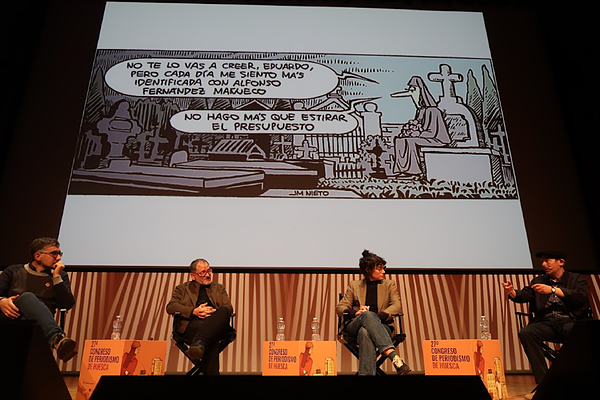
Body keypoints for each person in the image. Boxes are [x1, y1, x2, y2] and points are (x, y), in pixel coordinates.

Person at [501, 250, 591, 397]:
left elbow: (581, 297)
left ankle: (577, 383)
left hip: (570, 321)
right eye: (542, 261)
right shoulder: (539, 280)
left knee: (574, 333)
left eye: (548, 260)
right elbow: (526, 294)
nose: (544, 264)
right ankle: (543, 385)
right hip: (547, 323)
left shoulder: (576, 279)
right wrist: (512, 292)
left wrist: (554, 290)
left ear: (561, 262)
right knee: (526, 333)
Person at [0, 237, 77, 362]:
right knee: (27, 297)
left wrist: (56, 277)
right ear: (37, 256)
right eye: (54, 254)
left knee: (31, 324)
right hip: (12, 318)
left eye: (59, 253)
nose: (58, 258)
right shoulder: (14, 271)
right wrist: (1, 301)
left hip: (38, 325)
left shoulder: (60, 275)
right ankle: (57, 338)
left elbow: (67, 304)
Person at [336, 249, 411, 375]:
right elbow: (340, 307)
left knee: (365, 332)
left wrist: (376, 316)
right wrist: (356, 313)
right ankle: (393, 356)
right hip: (355, 326)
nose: (384, 272)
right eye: (379, 269)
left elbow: (396, 306)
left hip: (382, 326)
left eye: (384, 268)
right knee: (366, 315)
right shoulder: (354, 285)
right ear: (368, 270)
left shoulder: (389, 284)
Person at [166, 258, 233, 375]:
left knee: (224, 310)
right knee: (211, 339)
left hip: (217, 325)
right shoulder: (182, 288)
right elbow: (170, 307)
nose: (207, 275)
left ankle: (200, 342)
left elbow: (228, 307)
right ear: (193, 276)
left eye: (209, 271)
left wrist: (213, 313)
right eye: (203, 272)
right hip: (192, 326)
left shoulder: (219, 288)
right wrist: (194, 311)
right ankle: (200, 343)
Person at [390, 76, 451, 177]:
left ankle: (413, 171)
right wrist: (409, 132)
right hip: (424, 138)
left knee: (411, 141)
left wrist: (417, 133)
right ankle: (402, 169)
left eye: (413, 91)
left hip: (437, 140)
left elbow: (432, 132)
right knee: (399, 140)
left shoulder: (433, 110)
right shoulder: (421, 111)